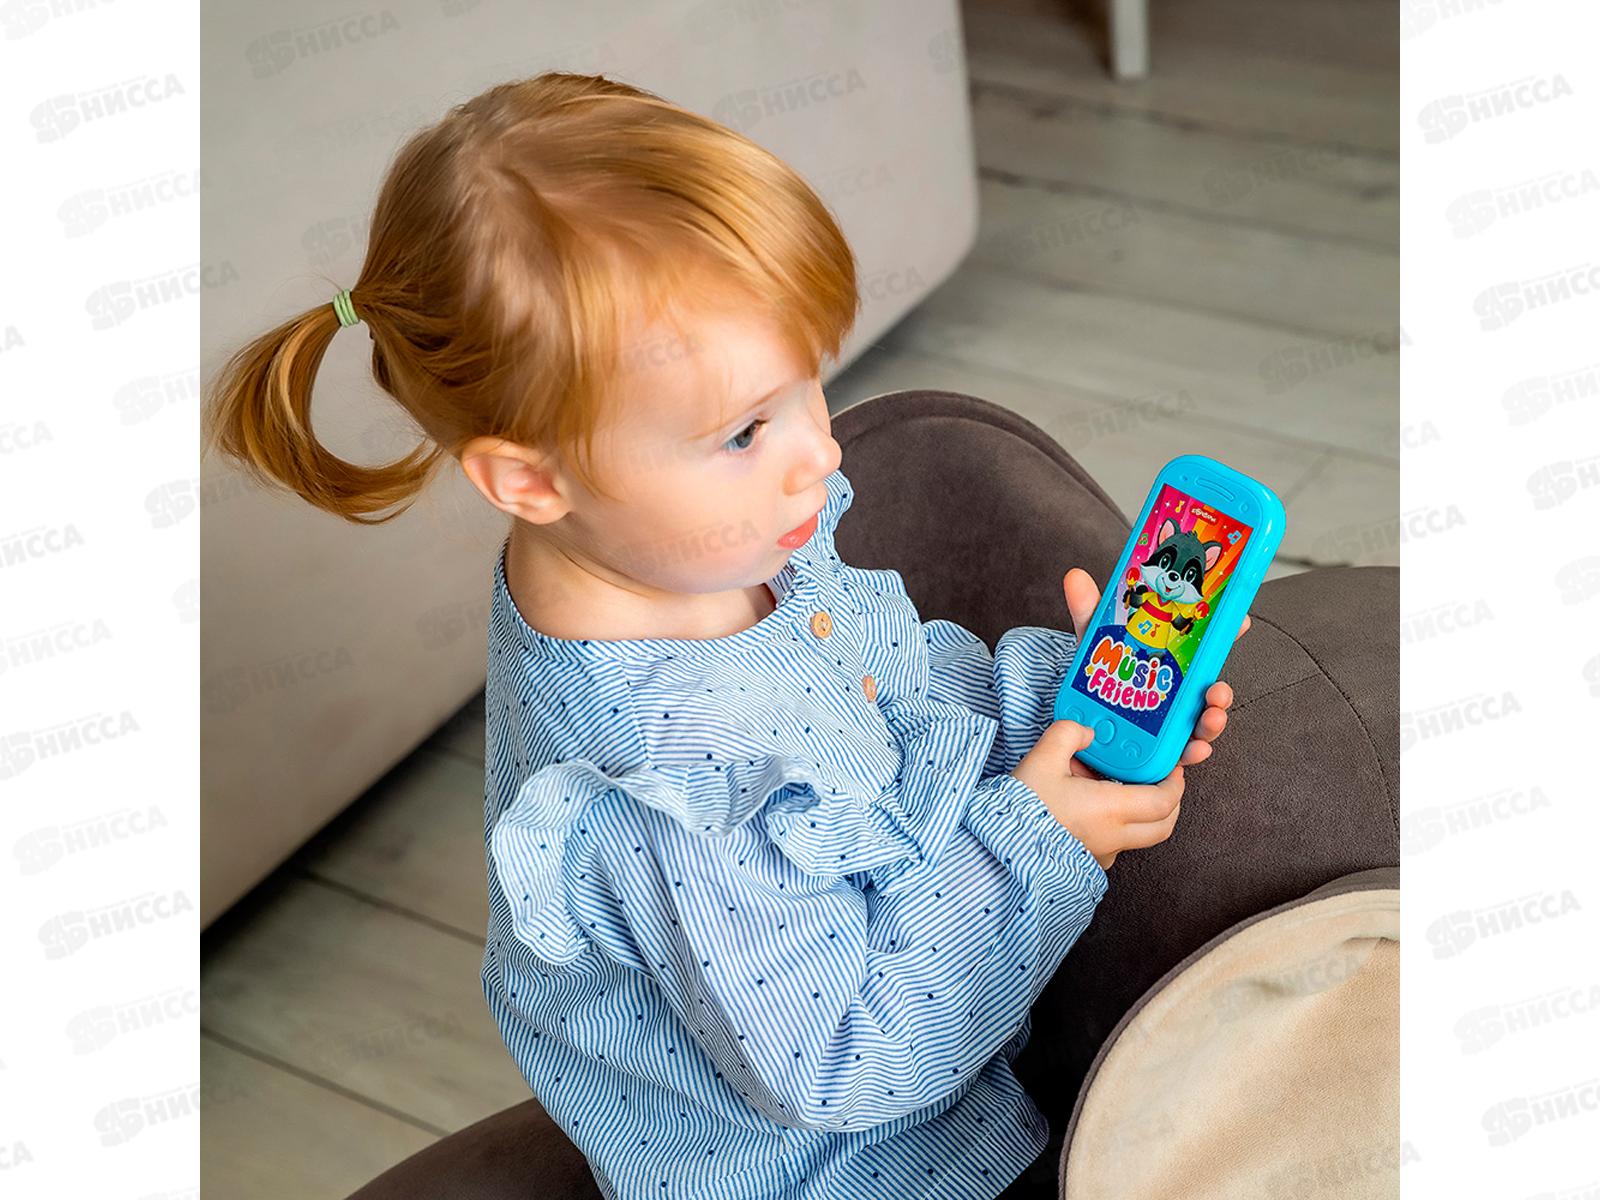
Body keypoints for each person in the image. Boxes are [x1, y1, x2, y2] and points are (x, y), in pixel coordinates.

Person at [203, 71, 1243, 1200]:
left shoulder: (715, 551)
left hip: (958, 1059)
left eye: (808, 385)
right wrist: (1036, 842)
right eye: (745, 432)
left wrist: (1063, 707)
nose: (821, 453)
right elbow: (844, 1060)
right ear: (531, 481)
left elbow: (884, 715)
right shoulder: (664, 786)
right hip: (858, 1174)